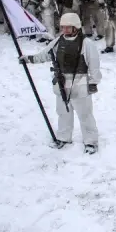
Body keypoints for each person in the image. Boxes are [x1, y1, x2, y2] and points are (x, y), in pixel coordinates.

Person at [22, 13, 101, 154]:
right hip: (61, 83)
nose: (64, 30)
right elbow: (45, 54)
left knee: (85, 115)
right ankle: (64, 137)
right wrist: (29, 59)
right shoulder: (58, 41)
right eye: (63, 27)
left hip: (80, 84)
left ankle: (91, 141)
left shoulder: (86, 44)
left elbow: (94, 65)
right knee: (63, 112)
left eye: (68, 28)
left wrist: (94, 82)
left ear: (76, 27)